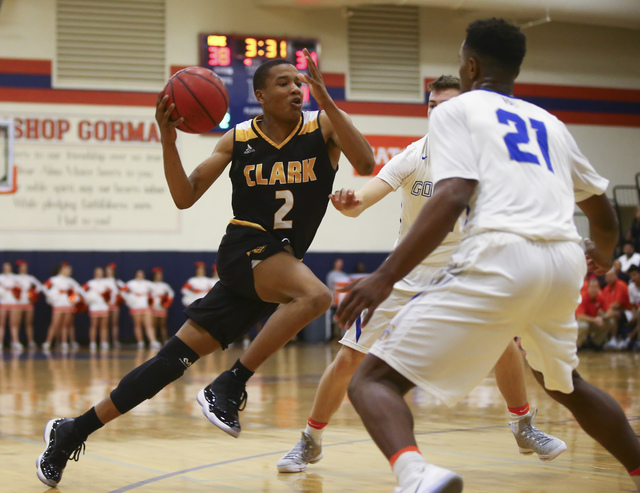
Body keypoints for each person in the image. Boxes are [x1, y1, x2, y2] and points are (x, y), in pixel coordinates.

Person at [36, 49, 374, 487]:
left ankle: (70, 432)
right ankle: (230, 384)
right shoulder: (238, 138)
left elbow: (365, 164)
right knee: (316, 296)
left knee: (167, 363)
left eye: (299, 82)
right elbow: (185, 195)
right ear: (260, 95)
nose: (296, 88)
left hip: (278, 264)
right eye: (284, 83)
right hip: (246, 247)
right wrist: (168, 139)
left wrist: (327, 99)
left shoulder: (322, 125)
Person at [336, 18, 640, 493]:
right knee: (567, 387)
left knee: (371, 382)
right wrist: (599, 255)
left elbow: (454, 194)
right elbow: (603, 215)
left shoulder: (456, 113)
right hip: (564, 261)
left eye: (460, 60)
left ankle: (417, 477)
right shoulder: (550, 123)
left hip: (501, 253)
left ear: (471, 65)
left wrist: (384, 276)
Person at [277, 75, 564, 474]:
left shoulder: (490, 157)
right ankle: (310, 440)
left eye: (447, 104)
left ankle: (523, 425)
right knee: (347, 360)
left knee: (503, 343)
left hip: (463, 273)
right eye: (432, 105)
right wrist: (348, 202)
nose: (438, 112)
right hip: (405, 273)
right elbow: (363, 199)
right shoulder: (416, 154)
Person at [42, 263, 83, 352]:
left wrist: (73, 298)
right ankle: (48, 342)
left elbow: (79, 290)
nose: (69, 271)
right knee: (54, 323)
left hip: (67, 304)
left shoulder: (71, 281)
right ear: (61, 270)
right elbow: (44, 287)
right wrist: (52, 295)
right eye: (67, 269)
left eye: (69, 270)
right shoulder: (54, 279)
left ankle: (64, 342)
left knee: (65, 324)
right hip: (58, 304)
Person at [121, 269, 160, 350]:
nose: (140, 275)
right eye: (139, 274)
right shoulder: (131, 283)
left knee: (149, 324)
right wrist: (129, 300)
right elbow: (122, 291)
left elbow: (156, 291)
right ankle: (140, 342)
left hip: (145, 306)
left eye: (142, 274)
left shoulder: (147, 283)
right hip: (135, 306)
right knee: (137, 325)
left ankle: (152, 341)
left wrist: (152, 300)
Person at [13, 260, 42, 350]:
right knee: (16, 323)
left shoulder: (30, 278)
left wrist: (33, 293)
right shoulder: (15, 278)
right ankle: (15, 341)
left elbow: (40, 286)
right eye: (22, 267)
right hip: (18, 303)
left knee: (29, 323)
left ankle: (30, 341)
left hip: (28, 303)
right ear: (19, 268)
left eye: (25, 267)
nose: (23, 268)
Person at [601, 267, 633, 350]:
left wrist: (606, 308)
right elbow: (602, 304)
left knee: (613, 313)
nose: (609, 278)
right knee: (603, 313)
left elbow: (617, 304)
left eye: (611, 276)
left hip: (627, 312)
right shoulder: (605, 289)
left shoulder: (621, 285)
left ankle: (613, 339)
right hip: (610, 310)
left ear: (616, 276)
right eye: (607, 277)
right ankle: (603, 339)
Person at [575, 277, 612, 349]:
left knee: (609, 322)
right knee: (583, 326)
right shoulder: (582, 297)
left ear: (598, 288)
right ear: (588, 288)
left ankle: (595, 344)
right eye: (591, 287)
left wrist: (603, 318)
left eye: (595, 287)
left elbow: (610, 311)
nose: (593, 289)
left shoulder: (600, 297)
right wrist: (595, 320)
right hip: (580, 322)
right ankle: (577, 345)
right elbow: (579, 316)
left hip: (593, 321)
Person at [83, 267, 111, 352]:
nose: (99, 274)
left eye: (101, 272)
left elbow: (112, 293)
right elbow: (82, 291)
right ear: (94, 273)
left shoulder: (107, 283)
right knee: (93, 325)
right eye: (97, 272)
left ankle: (104, 342)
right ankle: (92, 342)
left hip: (103, 306)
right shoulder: (90, 283)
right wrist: (89, 298)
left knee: (104, 326)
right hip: (94, 306)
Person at [325, 258, 351, 338]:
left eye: (341, 263)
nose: (339, 265)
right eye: (338, 263)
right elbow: (330, 288)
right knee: (333, 319)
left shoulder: (344, 275)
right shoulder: (331, 275)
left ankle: (343, 335)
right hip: (335, 301)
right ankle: (333, 335)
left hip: (343, 301)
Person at [149, 267, 174, 343]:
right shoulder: (150, 285)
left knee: (162, 324)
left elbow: (171, 293)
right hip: (154, 306)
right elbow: (148, 294)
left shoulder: (165, 285)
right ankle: (153, 340)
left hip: (162, 306)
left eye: (160, 275)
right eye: (157, 275)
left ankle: (165, 339)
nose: (158, 277)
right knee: (153, 324)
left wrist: (167, 302)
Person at [103, 263, 124, 348]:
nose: (109, 272)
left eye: (111, 270)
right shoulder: (103, 281)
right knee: (105, 324)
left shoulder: (117, 282)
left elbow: (125, 290)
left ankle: (115, 340)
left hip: (115, 305)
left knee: (114, 323)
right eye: (108, 270)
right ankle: (105, 341)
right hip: (105, 305)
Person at [0, 261, 20, 350]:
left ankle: (15, 342)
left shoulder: (15, 278)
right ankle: (0, 342)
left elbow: (21, 288)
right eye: (5, 267)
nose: (6, 268)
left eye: (8, 267)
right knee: (1, 324)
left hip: (13, 303)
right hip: (3, 303)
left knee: (14, 324)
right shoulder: (1, 277)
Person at [626, 265, 640, 349]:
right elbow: (633, 305)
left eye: (635, 274)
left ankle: (631, 337)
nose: (633, 277)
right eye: (631, 275)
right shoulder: (630, 287)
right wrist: (634, 314)